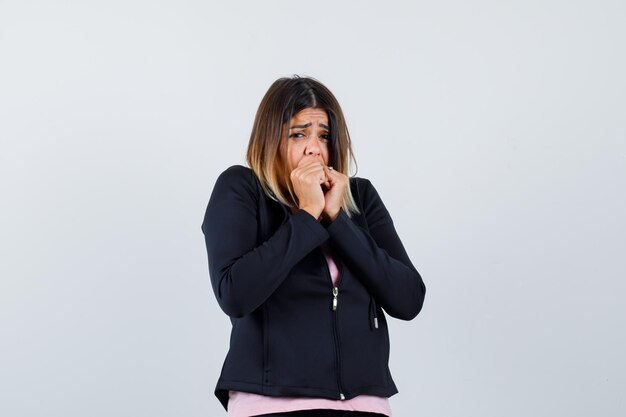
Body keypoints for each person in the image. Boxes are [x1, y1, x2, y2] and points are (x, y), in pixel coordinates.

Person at [201, 76, 426, 417]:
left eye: (323, 135)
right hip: (271, 404)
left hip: (365, 403)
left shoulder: (358, 197)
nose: (313, 148)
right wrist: (307, 215)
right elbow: (235, 294)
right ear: (269, 139)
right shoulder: (242, 189)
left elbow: (408, 299)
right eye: (298, 134)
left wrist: (337, 219)